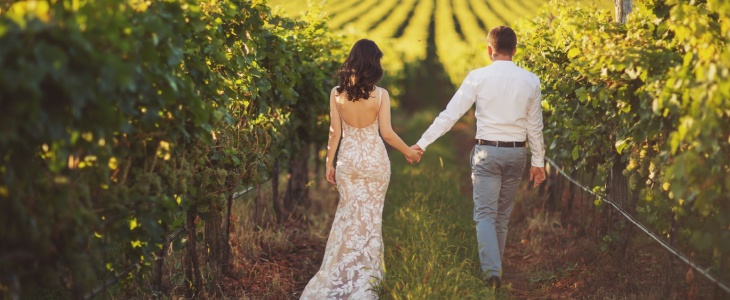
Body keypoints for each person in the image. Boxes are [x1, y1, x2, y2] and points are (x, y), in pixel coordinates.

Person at [411, 26, 546, 289]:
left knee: (485, 214)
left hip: (487, 152)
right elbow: (535, 126)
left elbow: (450, 115)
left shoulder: (478, 77)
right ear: (515, 50)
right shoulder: (531, 80)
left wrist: (422, 143)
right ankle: (494, 268)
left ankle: (492, 273)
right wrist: (538, 162)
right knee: (501, 217)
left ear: (489, 50)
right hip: (517, 153)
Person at [300, 39, 422, 299]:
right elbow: (387, 133)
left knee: (347, 218)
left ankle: (338, 275)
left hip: (349, 162)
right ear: (373, 63)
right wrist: (409, 152)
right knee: (370, 220)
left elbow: (335, 133)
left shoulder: (336, 93)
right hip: (375, 163)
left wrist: (328, 163)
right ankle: (365, 279)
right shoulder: (380, 94)